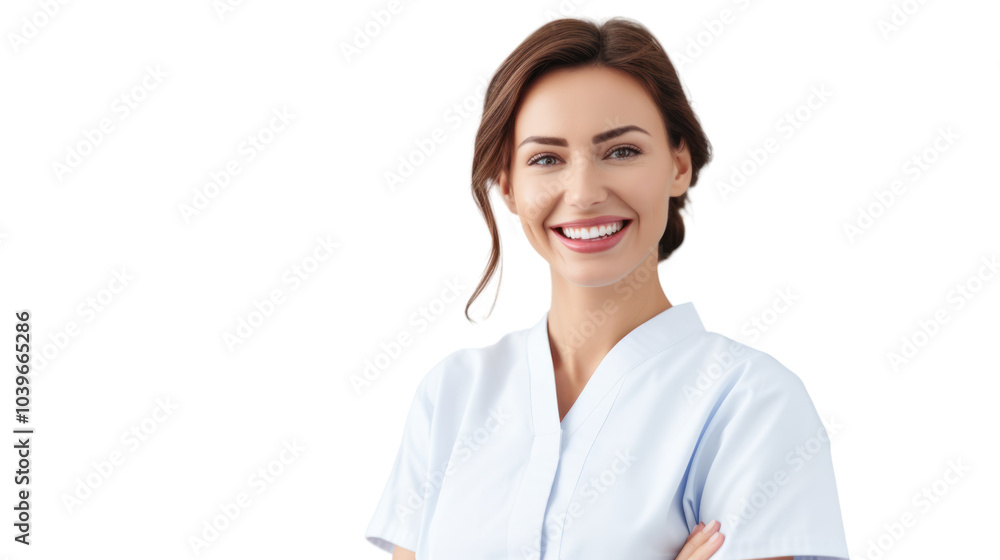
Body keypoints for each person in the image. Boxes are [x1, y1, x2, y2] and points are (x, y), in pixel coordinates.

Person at [364, 16, 850, 560]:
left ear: (679, 164)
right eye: (546, 159)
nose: (584, 192)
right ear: (507, 185)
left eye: (621, 151)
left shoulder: (750, 404)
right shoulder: (452, 396)